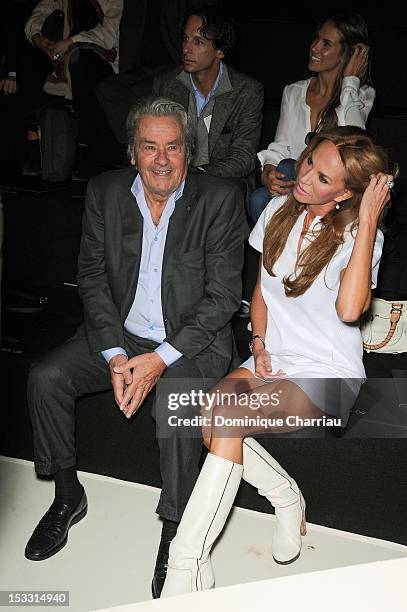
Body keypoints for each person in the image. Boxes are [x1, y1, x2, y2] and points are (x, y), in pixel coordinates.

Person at [24, 98, 248, 600]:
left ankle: (176, 530)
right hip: (120, 333)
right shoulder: (104, 192)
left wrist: (159, 358)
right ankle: (67, 494)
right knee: (46, 376)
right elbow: (92, 277)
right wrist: (116, 356)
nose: (162, 159)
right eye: (150, 146)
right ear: (133, 152)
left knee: (175, 401)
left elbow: (220, 300)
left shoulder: (220, 198)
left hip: (192, 340)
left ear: (189, 151)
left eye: (173, 146)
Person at [160, 126, 395, 597]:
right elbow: (263, 290)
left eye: (324, 179)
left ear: (347, 193)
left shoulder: (359, 236)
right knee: (211, 414)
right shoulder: (278, 210)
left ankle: (184, 568)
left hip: (329, 376)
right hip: (274, 358)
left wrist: (368, 220)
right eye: (310, 162)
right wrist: (260, 341)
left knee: (225, 421)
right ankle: (286, 497)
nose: (305, 177)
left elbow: (351, 311)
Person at [250, 12, 375, 225]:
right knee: (261, 195)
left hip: (330, 192)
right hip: (296, 187)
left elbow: (353, 146)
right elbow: (281, 145)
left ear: (348, 54)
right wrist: (268, 170)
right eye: (316, 39)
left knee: (289, 168)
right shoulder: (294, 91)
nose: (315, 47)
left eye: (326, 44)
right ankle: (277, 256)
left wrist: (350, 82)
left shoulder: (360, 96)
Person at [152, 5, 264, 191]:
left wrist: (196, 175)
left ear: (220, 51)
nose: (186, 49)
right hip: (171, 176)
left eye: (198, 42)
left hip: (221, 181)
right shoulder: (166, 85)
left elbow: (243, 158)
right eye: (185, 39)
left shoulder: (247, 91)